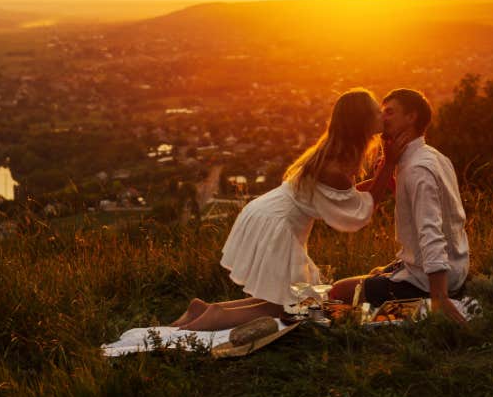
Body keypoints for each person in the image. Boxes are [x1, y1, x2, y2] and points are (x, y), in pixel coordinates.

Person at [170, 88, 396, 331]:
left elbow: (344, 197)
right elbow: (358, 214)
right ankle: (214, 318)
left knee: (283, 299)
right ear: (361, 122)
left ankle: (204, 309)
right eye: (376, 112)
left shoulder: (334, 153)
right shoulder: (336, 166)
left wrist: (382, 180)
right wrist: (389, 165)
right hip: (277, 224)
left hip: (267, 213)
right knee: (289, 306)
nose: (382, 116)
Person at [331, 88, 471, 324]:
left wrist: (439, 296)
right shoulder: (433, 156)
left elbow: (431, 232)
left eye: (390, 112)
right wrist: (388, 166)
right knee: (376, 272)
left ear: (412, 117)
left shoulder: (417, 170)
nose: (382, 118)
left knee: (338, 291)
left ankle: (426, 307)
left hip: (428, 280)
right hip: (452, 267)